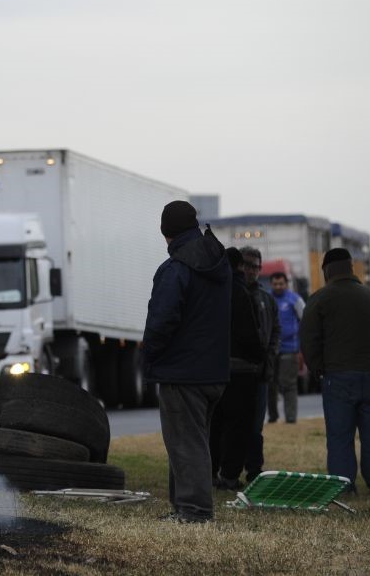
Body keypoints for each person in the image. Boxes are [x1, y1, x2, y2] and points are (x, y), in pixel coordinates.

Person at [140, 201, 231, 523]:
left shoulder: (175, 269)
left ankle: (194, 511)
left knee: (185, 444)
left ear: (166, 232)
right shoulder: (219, 264)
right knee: (194, 441)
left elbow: (162, 321)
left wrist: (149, 355)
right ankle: (183, 507)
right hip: (214, 371)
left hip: (182, 372)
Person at [300, 248, 370, 495]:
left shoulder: (320, 299)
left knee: (340, 435)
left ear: (326, 271)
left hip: (337, 377)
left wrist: (318, 369)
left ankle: (342, 486)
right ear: (351, 268)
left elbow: (309, 341)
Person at [209, 248, 267, 491]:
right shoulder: (241, 292)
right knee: (238, 426)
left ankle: (210, 472)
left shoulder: (212, 289)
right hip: (241, 371)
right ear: (240, 266)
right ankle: (230, 476)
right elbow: (249, 333)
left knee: (214, 424)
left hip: (214, 369)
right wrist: (259, 357)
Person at [240, 247, 279, 482]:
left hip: (260, 372)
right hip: (235, 371)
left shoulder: (266, 299)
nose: (251, 270)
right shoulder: (229, 294)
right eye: (247, 265)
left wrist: (270, 356)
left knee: (256, 426)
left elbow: (275, 331)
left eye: (255, 266)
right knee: (233, 424)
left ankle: (254, 469)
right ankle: (229, 469)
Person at [267, 272, 305, 423]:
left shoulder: (295, 299)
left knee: (288, 384)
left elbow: (305, 319)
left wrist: (302, 346)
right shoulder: (267, 298)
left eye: (281, 284)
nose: (278, 286)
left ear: (286, 284)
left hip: (289, 349)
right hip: (270, 350)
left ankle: (290, 419)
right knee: (270, 384)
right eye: (275, 284)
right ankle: (273, 417)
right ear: (271, 284)